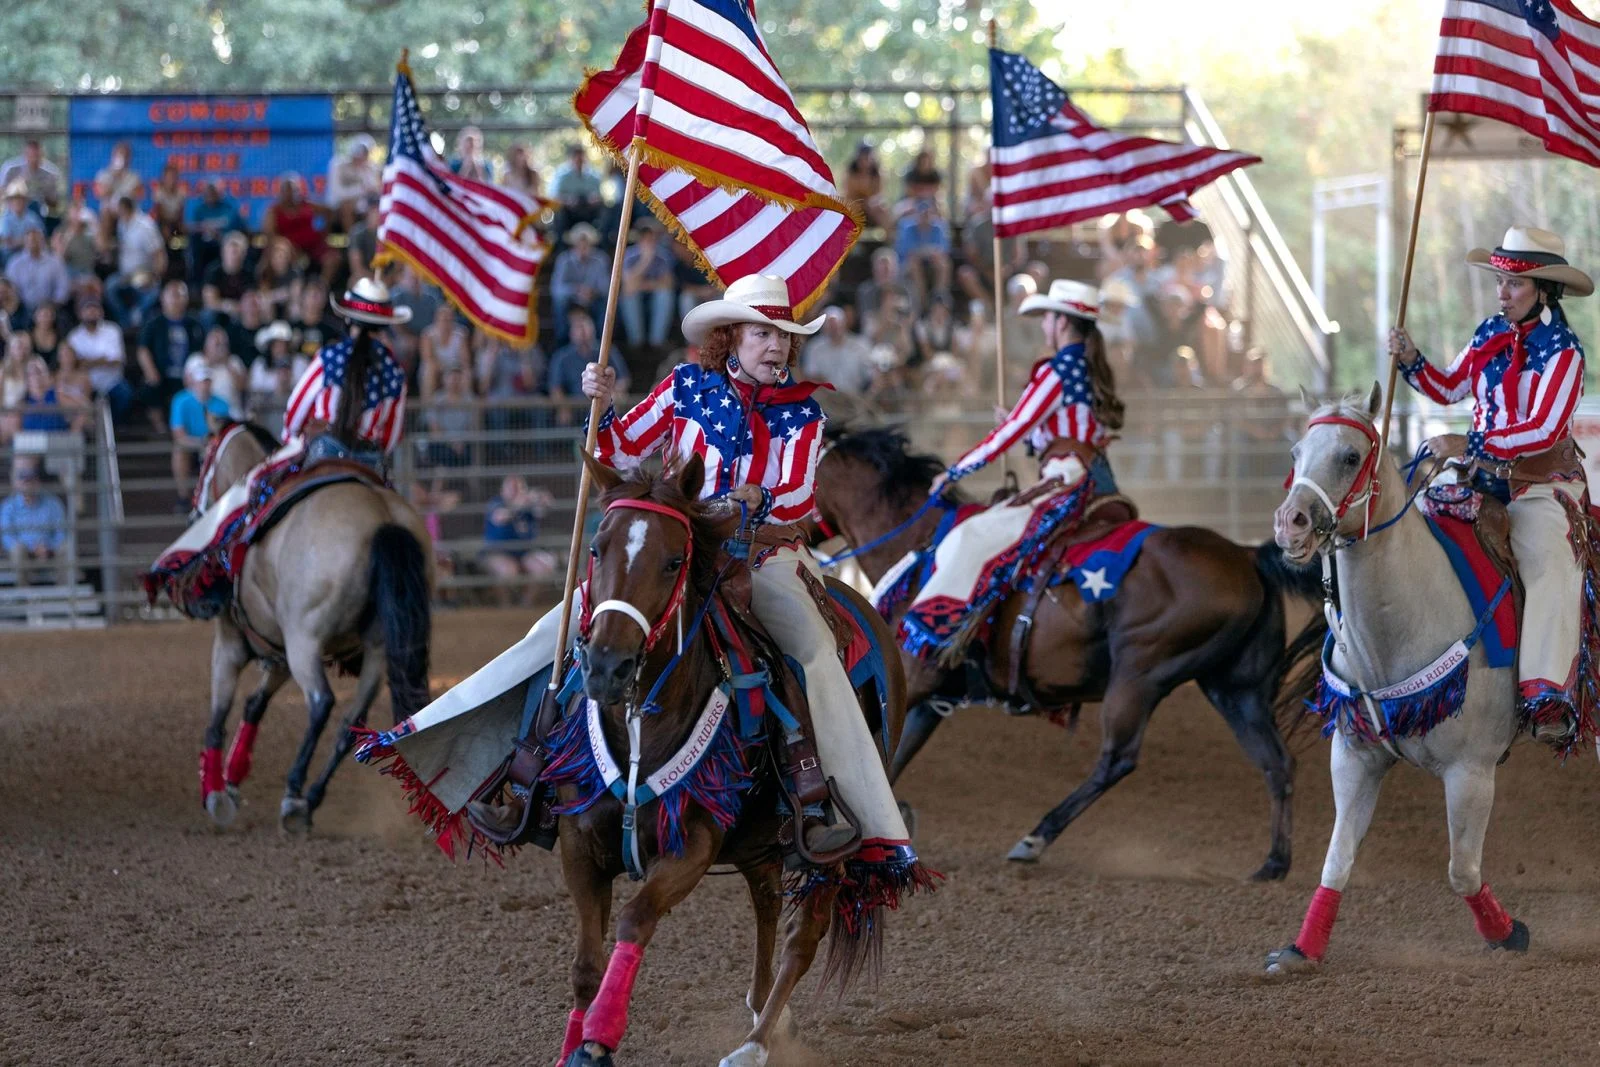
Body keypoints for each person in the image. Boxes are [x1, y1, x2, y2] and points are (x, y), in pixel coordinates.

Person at [454, 276, 919, 871]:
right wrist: (601, 402)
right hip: (679, 551)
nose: (775, 346)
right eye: (761, 333)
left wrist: (757, 500)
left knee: (815, 652)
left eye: (782, 335)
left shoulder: (803, 411)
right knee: (565, 626)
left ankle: (821, 801)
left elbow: (801, 494)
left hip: (767, 557)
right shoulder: (684, 388)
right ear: (731, 338)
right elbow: (620, 454)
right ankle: (520, 777)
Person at [1388, 225, 1593, 747]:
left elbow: (1544, 430)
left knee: (1548, 559)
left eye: (1513, 284)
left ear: (1543, 290)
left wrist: (1469, 444)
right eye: (1499, 281)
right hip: (1480, 475)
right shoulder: (1486, 332)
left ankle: (1546, 694)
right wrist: (1411, 358)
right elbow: (1449, 386)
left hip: (1541, 484)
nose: (1501, 293)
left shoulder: (1565, 351)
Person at [904, 280, 1126, 654]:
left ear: (1060, 322)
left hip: (1066, 480)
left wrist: (954, 472)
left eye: (1047, 318)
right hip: (1094, 475)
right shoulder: (1088, 370)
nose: (1042, 326)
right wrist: (1026, 426)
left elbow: (1006, 436)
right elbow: (1068, 429)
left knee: (971, 536)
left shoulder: (1056, 372)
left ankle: (942, 636)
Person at [135, 280, 204, 433]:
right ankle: (160, 425)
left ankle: (189, 428)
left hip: (186, 374)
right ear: (163, 298)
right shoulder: (154, 324)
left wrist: (194, 373)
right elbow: (143, 350)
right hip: (161, 372)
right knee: (150, 388)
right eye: (173, 295)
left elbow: (200, 352)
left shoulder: (193, 324)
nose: (177, 299)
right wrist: (150, 370)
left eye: (181, 295)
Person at [479, 474, 557, 604]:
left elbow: (543, 510)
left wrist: (542, 499)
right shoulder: (496, 503)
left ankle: (525, 605)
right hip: (497, 553)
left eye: (519, 488)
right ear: (502, 491)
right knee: (508, 571)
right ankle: (506, 607)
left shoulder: (528, 506)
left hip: (525, 552)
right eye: (512, 488)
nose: (516, 492)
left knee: (544, 567)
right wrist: (520, 503)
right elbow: (500, 517)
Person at [169, 355, 231, 507]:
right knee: (179, 451)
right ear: (194, 382)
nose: (205, 384)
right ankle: (183, 497)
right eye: (202, 380)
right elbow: (179, 435)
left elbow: (224, 432)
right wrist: (202, 443)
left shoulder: (222, 403)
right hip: (194, 445)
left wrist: (209, 444)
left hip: (214, 446)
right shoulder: (180, 400)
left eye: (208, 380)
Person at [1, 458, 67, 586]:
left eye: (31, 480)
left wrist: (48, 547)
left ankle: (64, 593)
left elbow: (61, 532)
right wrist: (32, 548)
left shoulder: (53, 503)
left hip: (49, 551)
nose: (28, 484)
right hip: (23, 553)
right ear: (16, 483)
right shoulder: (8, 506)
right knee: (17, 550)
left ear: (38, 482)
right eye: (24, 480)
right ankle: (23, 593)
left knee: (65, 548)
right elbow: (7, 537)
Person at [65, 296, 132, 419]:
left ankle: (115, 428)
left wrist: (88, 362)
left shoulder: (112, 330)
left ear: (101, 311)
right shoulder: (74, 336)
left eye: (95, 309)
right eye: (88, 309)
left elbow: (117, 361)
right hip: (85, 383)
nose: (91, 312)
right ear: (80, 313)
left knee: (125, 394)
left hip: (111, 381)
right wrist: (103, 360)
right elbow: (74, 364)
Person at [548, 222, 609, 344]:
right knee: (559, 302)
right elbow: (556, 288)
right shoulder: (564, 260)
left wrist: (592, 292)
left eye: (586, 243)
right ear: (574, 244)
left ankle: (601, 341)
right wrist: (576, 290)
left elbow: (606, 287)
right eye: (580, 242)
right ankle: (562, 340)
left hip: (593, 299)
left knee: (606, 305)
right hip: (571, 300)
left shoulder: (601, 259)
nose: (583, 246)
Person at [800, 305, 874, 394]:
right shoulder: (814, 348)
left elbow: (870, 375)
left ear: (844, 323)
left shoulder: (861, 345)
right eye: (829, 324)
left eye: (836, 324)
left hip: (855, 397)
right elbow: (811, 375)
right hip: (825, 399)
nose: (833, 328)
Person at [4, 227, 69, 312]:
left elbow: (62, 287)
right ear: (25, 242)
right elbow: (9, 288)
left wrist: (54, 304)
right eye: (30, 240)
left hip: (49, 309)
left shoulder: (55, 262)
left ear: (43, 241)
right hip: (20, 309)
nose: (33, 243)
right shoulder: (14, 263)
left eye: (36, 240)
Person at [326, 135, 380, 231]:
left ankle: (369, 241)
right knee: (347, 206)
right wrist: (361, 189)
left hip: (363, 206)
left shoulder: (369, 168)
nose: (362, 159)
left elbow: (374, 189)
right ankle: (353, 243)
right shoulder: (338, 165)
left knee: (374, 209)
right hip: (338, 208)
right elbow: (337, 193)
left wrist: (364, 173)